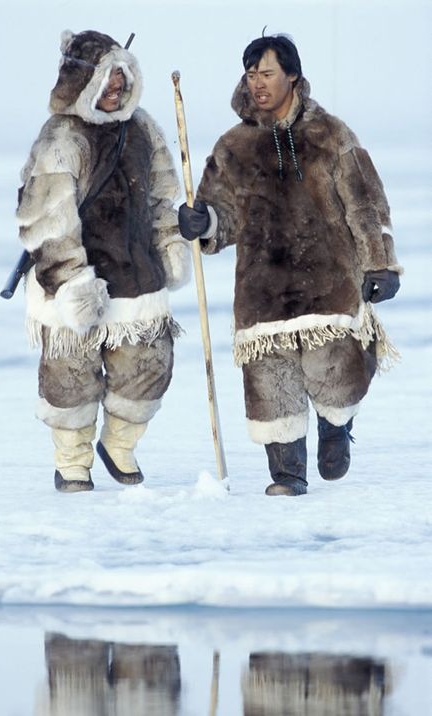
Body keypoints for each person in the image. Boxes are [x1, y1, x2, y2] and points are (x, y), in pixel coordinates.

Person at [178, 34, 401, 496]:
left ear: (293, 76)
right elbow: (222, 216)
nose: (258, 83)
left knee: (335, 376)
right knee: (269, 386)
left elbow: (366, 204)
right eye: (252, 75)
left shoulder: (331, 135)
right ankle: (286, 475)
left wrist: (380, 264)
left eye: (268, 74)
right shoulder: (233, 146)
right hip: (262, 291)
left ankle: (335, 429)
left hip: (329, 283)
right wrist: (202, 221)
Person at [17, 30, 191, 492]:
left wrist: (172, 240)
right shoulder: (60, 138)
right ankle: (72, 462)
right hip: (74, 279)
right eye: (106, 76)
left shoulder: (143, 129)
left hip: (137, 274)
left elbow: (161, 198)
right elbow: (47, 219)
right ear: (82, 81)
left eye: (121, 75)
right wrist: (72, 280)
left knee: (149, 365)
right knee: (70, 374)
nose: (115, 86)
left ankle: (119, 446)